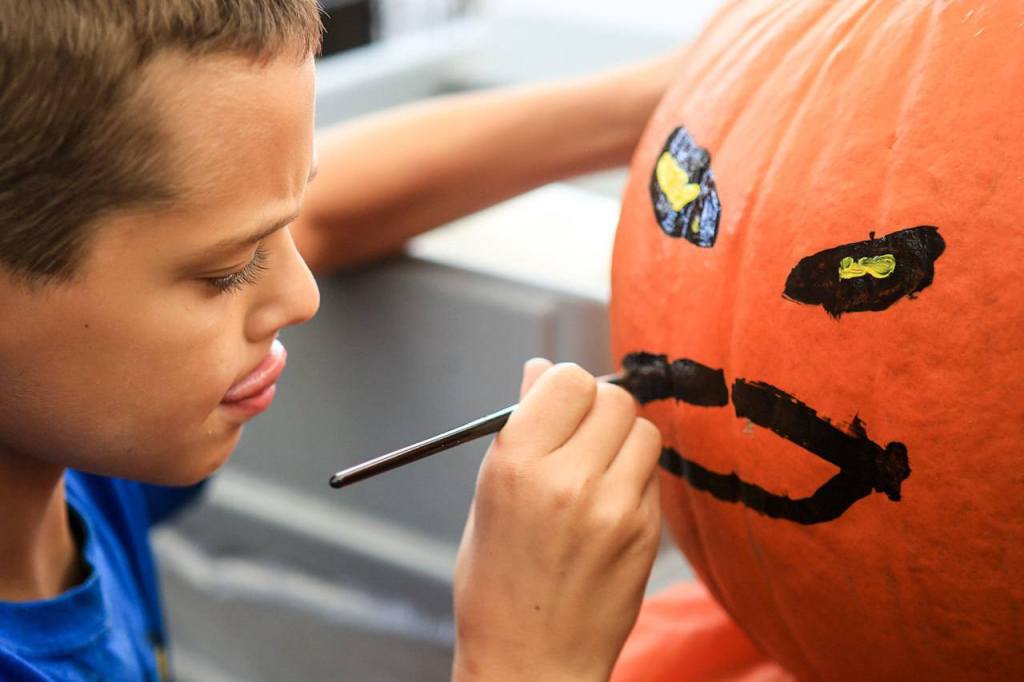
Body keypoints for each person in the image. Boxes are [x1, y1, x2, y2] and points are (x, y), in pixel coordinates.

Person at [0, 2, 681, 680]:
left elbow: (309, 212)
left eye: (285, 227)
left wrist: (683, 92)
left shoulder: (68, 462)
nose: (303, 296)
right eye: (226, 270)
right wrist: (524, 660)